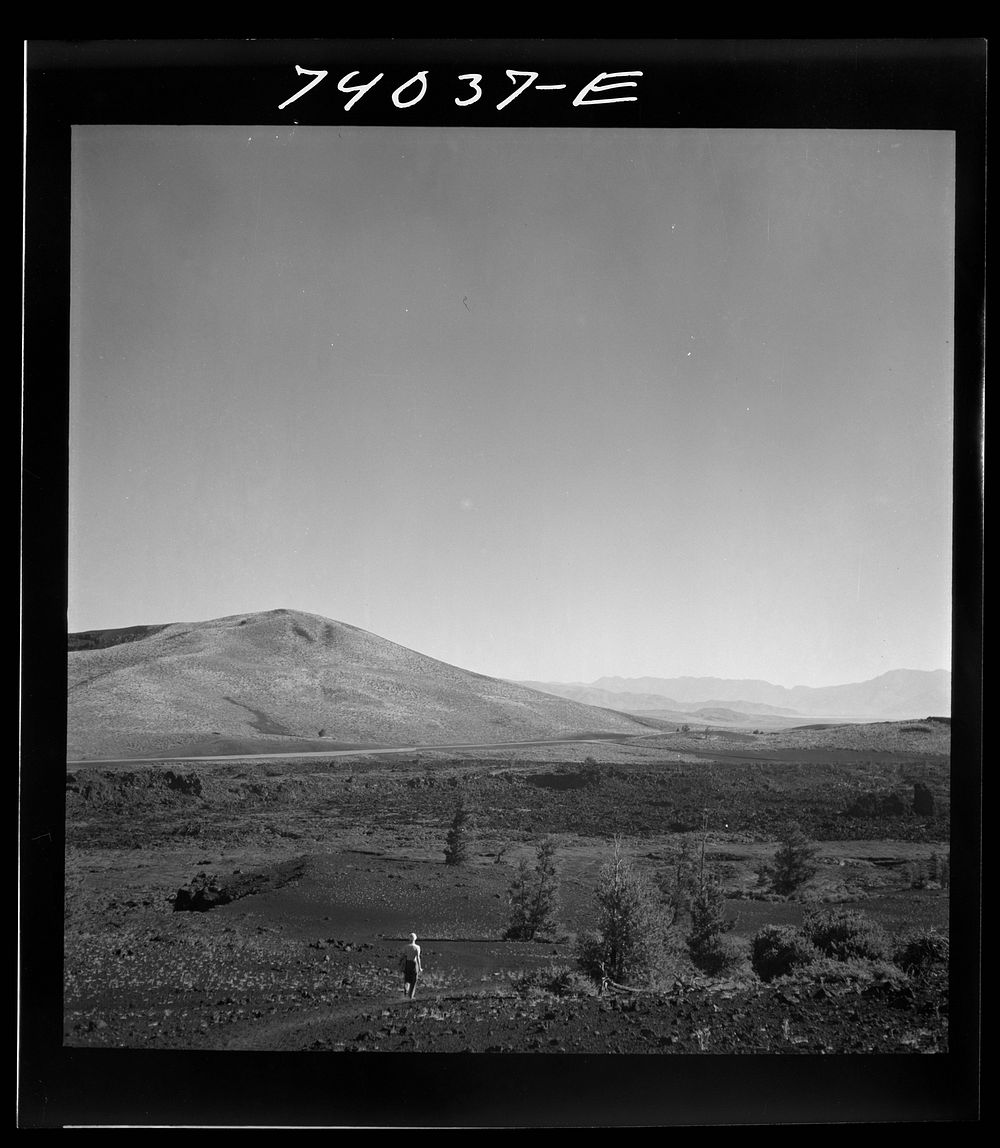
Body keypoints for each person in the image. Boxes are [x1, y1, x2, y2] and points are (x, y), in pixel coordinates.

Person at [399, 932, 422, 1000]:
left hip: (407, 963)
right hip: (414, 964)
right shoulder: (417, 947)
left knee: (407, 978)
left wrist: (400, 962)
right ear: (415, 939)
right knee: (414, 980)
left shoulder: (406, 947)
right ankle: (410, 996)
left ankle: (406, 992)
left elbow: (403, 956)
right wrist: (420, 967)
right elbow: (418, 958)